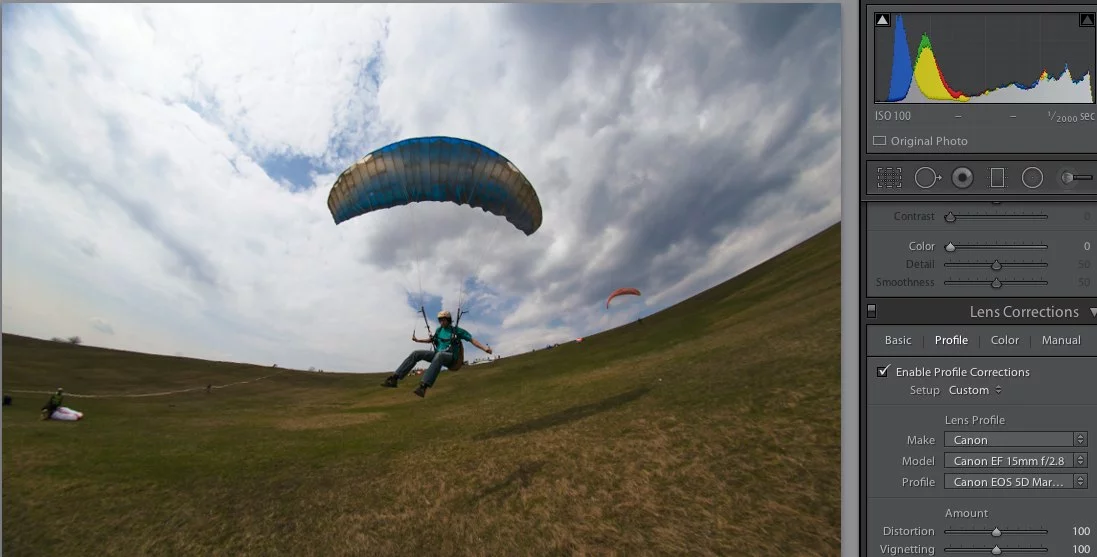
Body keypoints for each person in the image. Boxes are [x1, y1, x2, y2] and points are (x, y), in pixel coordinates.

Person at [381, 310, 492, 397]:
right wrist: (418, 340)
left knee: (440, 355)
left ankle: (423, 387)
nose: (441, 322)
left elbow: (472, 340)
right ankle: (394, 378)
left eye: (444, 320)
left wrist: (485, 348)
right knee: (416, 353)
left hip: (451, 358)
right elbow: (432, 340)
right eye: (440, 320)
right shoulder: (439, 330)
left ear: (448, 320)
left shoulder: (456, 330)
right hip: (438, 355)